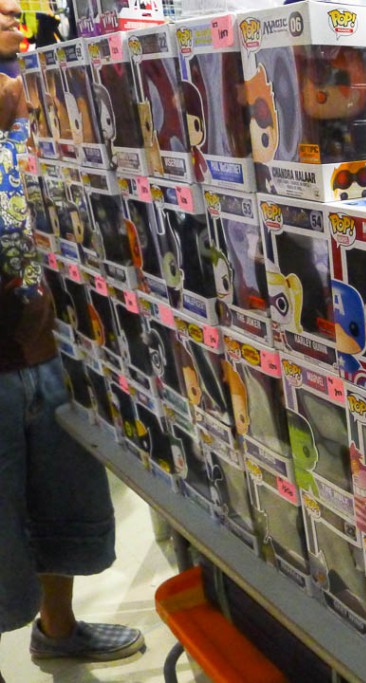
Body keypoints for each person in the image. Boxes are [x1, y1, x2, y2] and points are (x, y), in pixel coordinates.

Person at [0, 1, 144, 678]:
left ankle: (57, 629)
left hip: (49, 342)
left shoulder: (30, 92)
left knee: (63, 504)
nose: (11, 8)